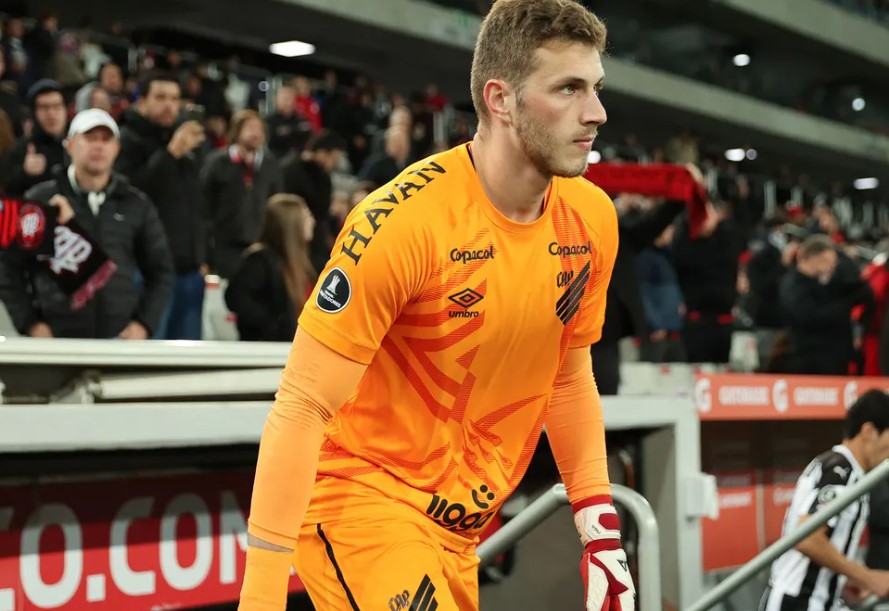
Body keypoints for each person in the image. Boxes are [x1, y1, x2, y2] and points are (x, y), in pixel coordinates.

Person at [238, 1, 634, 610]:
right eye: (569, 89)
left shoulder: (592, 218)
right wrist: (261, 595)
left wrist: (599, 529)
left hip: (460, 530)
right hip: (364, 505)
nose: (597, 113)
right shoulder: (402, 223)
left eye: (596, 88)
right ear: (500, 99)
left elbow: (567, 373)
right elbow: (302, 405)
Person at [0, 108, 174, 338]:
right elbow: (8, 267)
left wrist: (143, 325)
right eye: (90, 138)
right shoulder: (39, 200)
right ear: (70, 145)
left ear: (117, 149)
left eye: (106, 139)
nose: (99, 146)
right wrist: (31, 324)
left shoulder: (136, 204)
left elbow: (161, 271)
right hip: (55, 340)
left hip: (119, 341)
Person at [760, 389, 889, 611]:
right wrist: (867, 577)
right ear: (868, 431)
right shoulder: (841, 471)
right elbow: (808, 537)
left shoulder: (842, 468)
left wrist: (843, 579)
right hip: (798, 602)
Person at [115, 71, 207, 340]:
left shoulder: (189, 144)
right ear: (141, 102)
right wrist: (170, 154)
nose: (169, 105)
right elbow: (132, 194)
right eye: (161, 97)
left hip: (190, 271)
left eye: (175, 98)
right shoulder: (128, 139)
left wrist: (202, 255)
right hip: (148, 273)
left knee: (188, 366)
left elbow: (199, 206)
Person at [201, 110, 283, 280]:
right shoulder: (217, 161)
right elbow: (203, 205)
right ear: (236, 131)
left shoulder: (270, 164)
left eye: (259, 129)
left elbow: (277, 203)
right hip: (224, 246)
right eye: (250, 128)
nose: (256, 133)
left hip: (259, 246)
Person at [224, 194, 315, 342]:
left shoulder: (300, 262)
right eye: (307, 217)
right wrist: (273, 324)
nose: (313, 221)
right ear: (292, 224)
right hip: (267, 350)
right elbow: (235, 297)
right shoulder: (260, 260)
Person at [780, 234, 872, 375]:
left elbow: (861, 290)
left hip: (836, 358)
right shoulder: (794, 286)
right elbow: (810, 317)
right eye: (827, 261)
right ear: (813, 258)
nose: (832, 266)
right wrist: (845, 306)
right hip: (812, 362)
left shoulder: (824, 283)